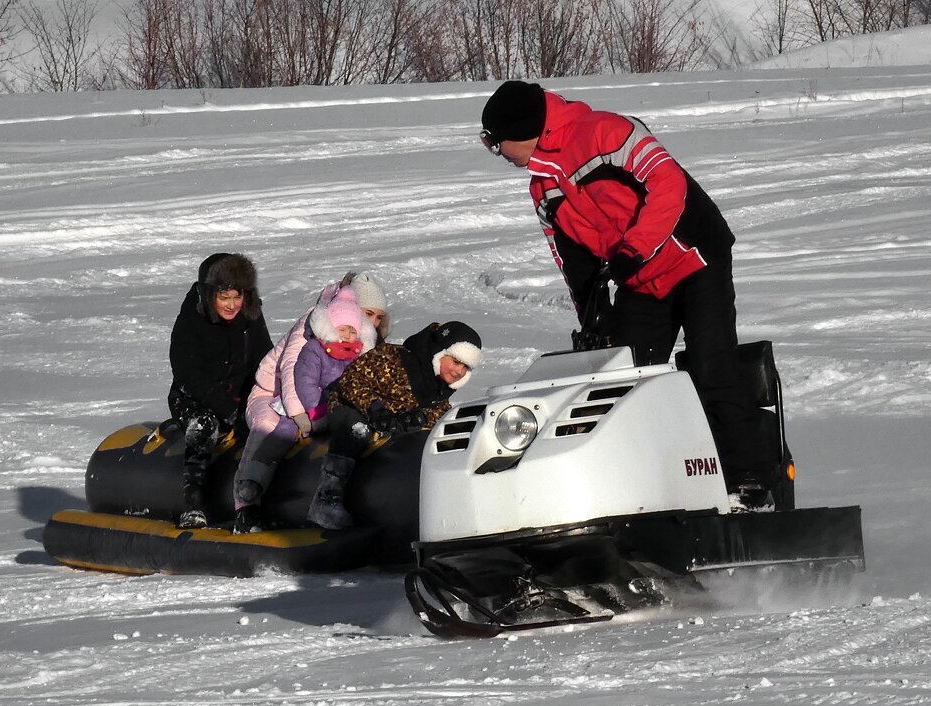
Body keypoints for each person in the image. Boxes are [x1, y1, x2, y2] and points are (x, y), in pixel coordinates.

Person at [479, 80, 773, 510]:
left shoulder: (605, 132)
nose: (497, 151)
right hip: (639, 278)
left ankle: (751, 483)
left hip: (692, 256)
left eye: (494, 142)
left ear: (521, 131)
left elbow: (668, 182)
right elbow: (569, 256)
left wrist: (637, 248)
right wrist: (592, 314)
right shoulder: (542, 187)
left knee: (711, 368)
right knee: (623, 381)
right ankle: (649, 484)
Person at [306, 321, 483, 529]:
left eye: (465, 367)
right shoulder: (392, 358)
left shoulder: (439, 391)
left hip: (389, 424)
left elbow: (439, 413)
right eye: (455, 361)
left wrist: (419, 419)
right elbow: (353, 380)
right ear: (439, 353)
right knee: (355, 430)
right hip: (352, 405)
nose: (458, 371)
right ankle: (327, 499)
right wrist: (375, 408)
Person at [232, 288, 375, 534]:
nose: (348, 335)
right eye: (342, 329)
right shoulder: (312, 345)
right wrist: (310, 415)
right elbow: (299, 380)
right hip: (293, 402)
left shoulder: (357, 354)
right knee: (277, 431)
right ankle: (250, 486)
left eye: (353, 330)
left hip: (331, 409)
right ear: (329, 327)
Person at [168, 252, 273, 528]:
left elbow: (265, 359)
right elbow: (188, 375)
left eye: (237, 297)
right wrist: (228, 410)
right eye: (223, 297)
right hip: (194, 397)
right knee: (204, 426)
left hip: (242, 395)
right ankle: (193, 500)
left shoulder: (250, 317)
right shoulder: (191, 321)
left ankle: (255, 501)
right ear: (209, 294)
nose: (231, 305)